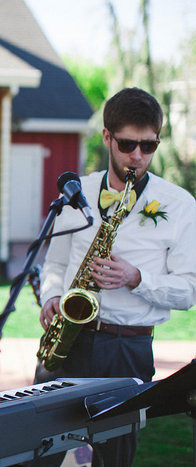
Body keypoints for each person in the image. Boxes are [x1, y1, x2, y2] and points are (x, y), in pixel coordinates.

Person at [36, 87, 196, 466]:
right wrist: (51, 296)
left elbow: (189, 290)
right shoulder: (76, 193)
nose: (137, 156)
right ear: (107, 137)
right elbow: (54, 265)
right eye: (127, 144)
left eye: (148, 146)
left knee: (113, 456)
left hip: (127, 349)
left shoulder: (180, 205)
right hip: (67, 340)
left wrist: (138, 277)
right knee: (39, 451)